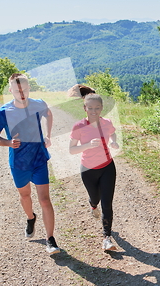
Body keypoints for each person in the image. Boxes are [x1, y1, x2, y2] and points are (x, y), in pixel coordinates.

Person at [0, 73, 60, 254]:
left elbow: (49, 114)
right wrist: (7, 143)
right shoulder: (3, 111)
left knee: (45, 199)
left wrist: (48, 135)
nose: (22, 92)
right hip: (19, 162)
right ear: (10, 90)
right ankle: (30, 217)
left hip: (38, 158)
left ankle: (50, 239)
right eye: (17, 89)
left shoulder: (38, 104)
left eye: (25, 89)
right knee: (25, 195)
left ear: (29, 88)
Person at [69, 93, 120, 251]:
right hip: (88, 169)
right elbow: (71, 150)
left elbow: (112, 133)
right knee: (95, 198)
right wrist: (88, 145)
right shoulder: (79, 126)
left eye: (97, 108)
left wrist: (114, 141)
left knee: (107, 204)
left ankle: (107, 238)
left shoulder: (107, 122)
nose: (93, 110)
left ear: (101, 108)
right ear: (84, 108)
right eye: (90, 108)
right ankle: (92, 205)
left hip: (107, 167)